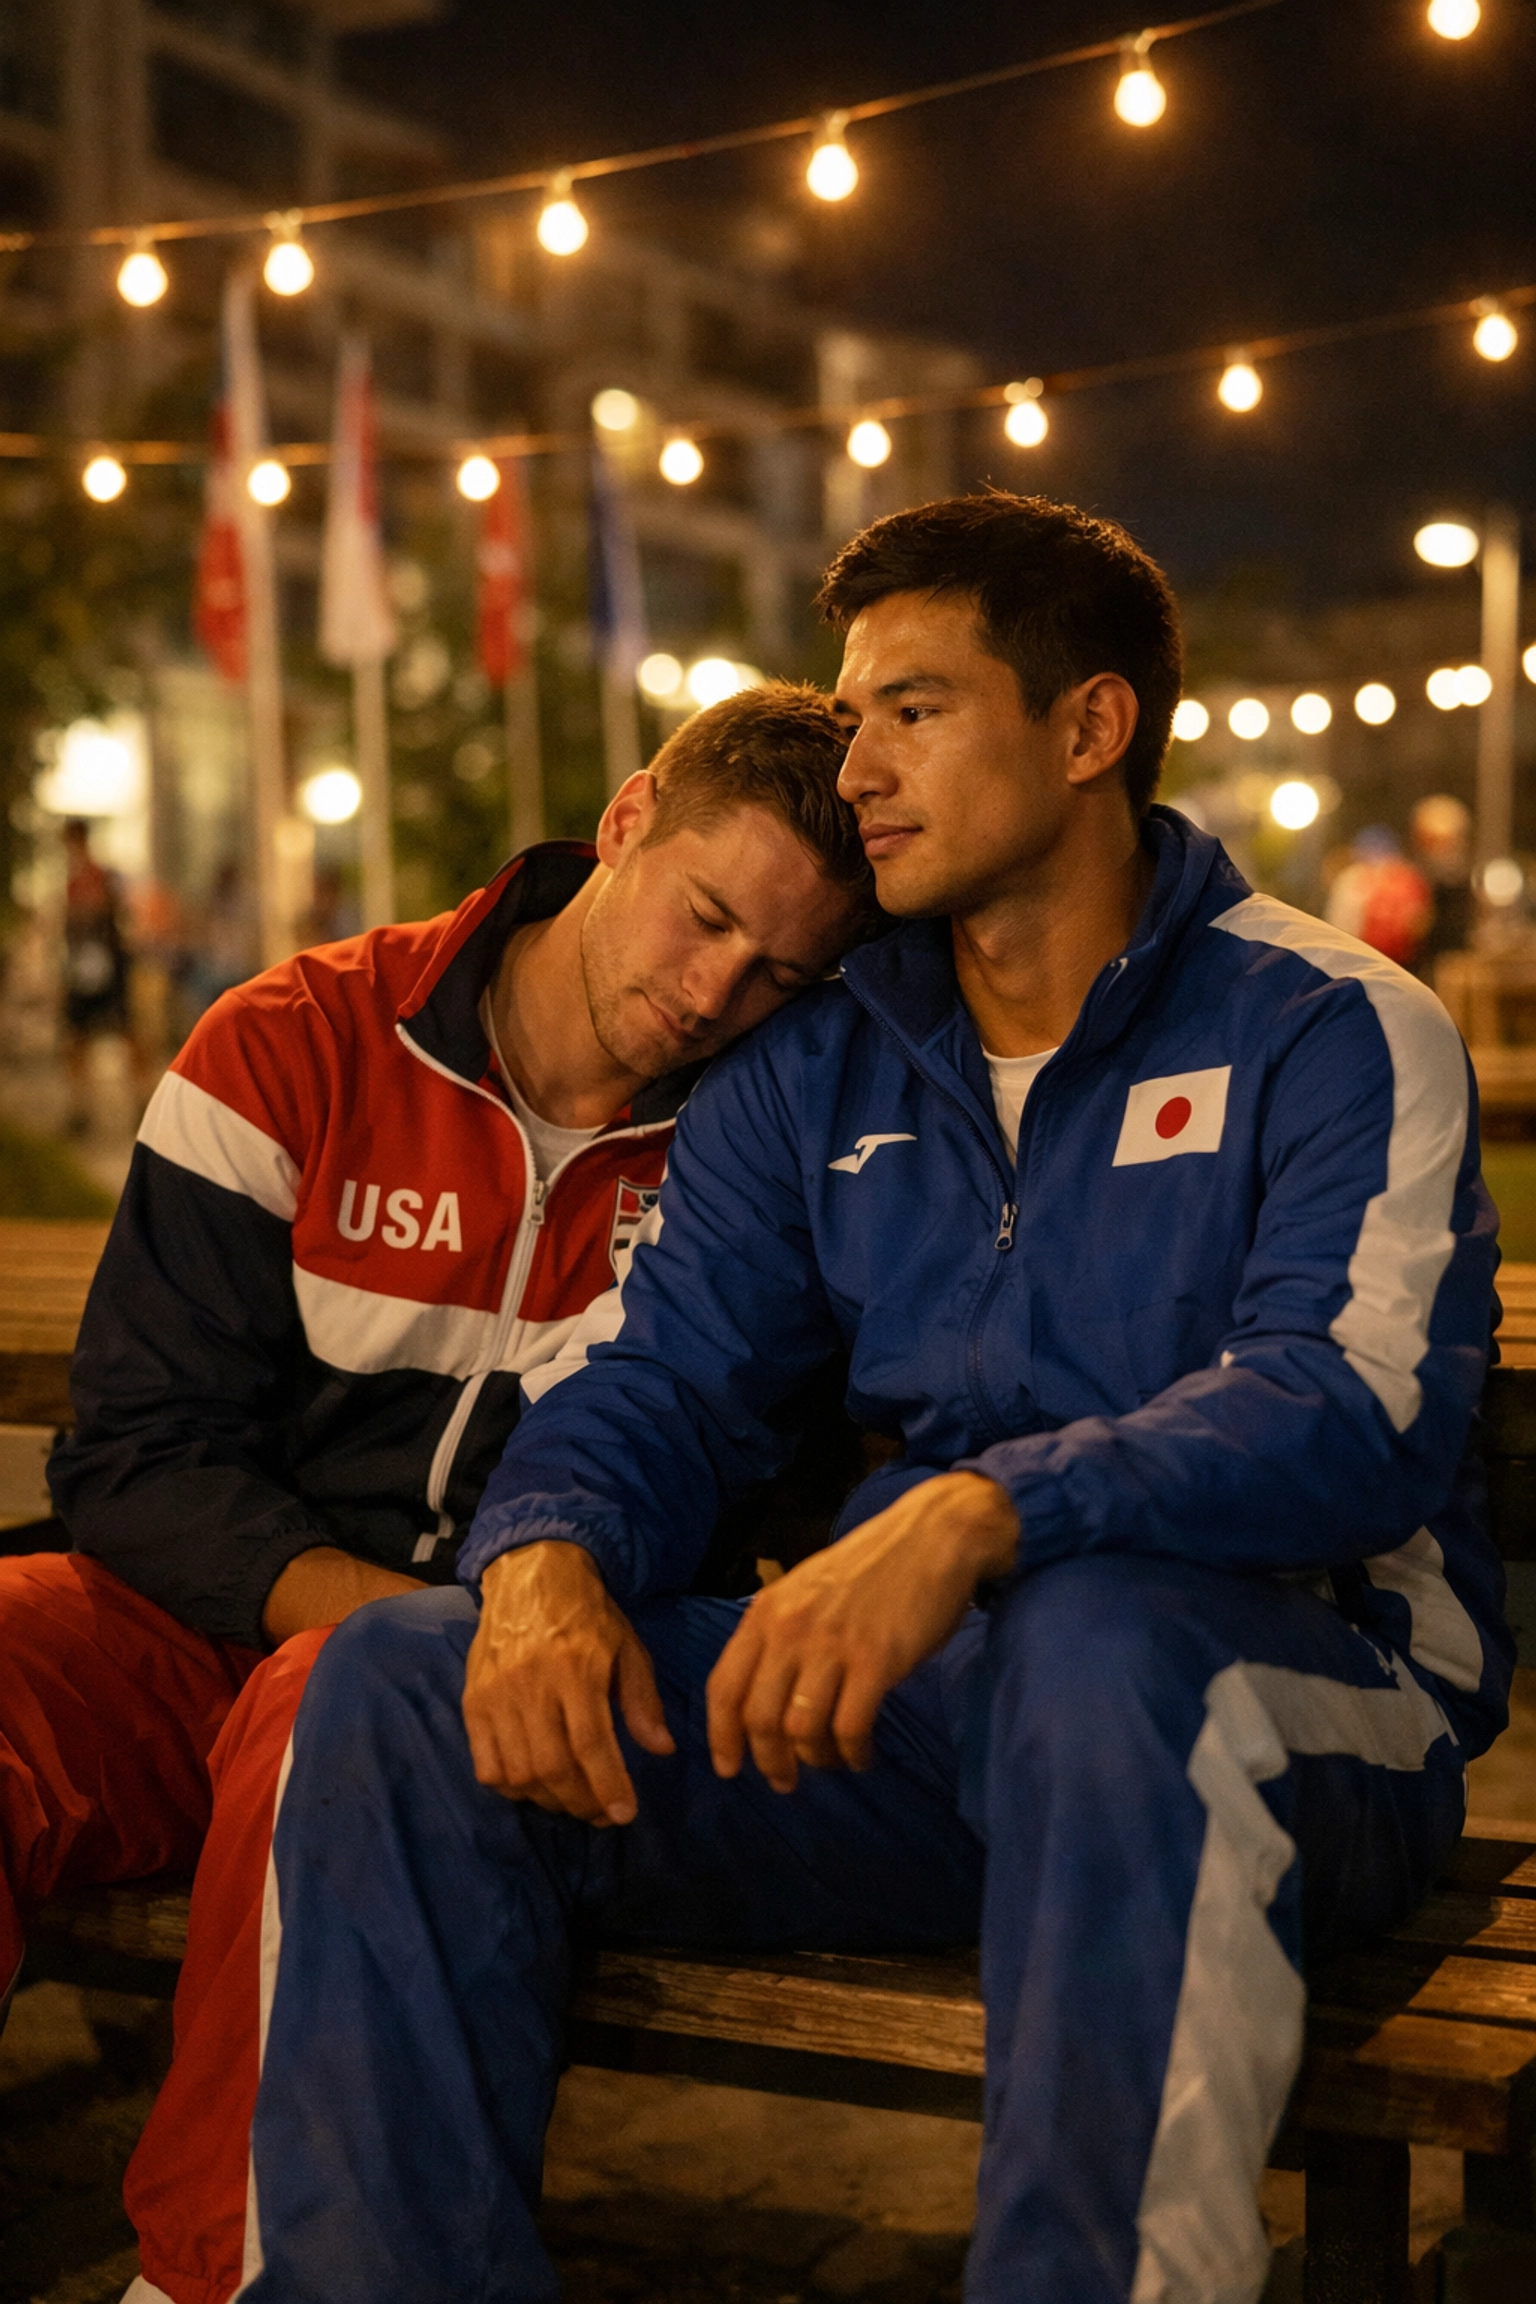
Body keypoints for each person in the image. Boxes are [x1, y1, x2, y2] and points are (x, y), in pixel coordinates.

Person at [124, 496, 1507, 2304]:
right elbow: (667, 1371)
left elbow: (1356, 1405)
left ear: (1089, 730)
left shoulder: (1328, 1023)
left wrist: (989, 1513)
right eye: (852, 714)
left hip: (1303, 1697)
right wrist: (540, 1556)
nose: (858, 763)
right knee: (399, 1685)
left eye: (915, 709)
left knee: (1105, 1653)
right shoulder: (822, 1056)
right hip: (923, 1720)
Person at [0, 681, 871, 2060]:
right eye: (707, 917)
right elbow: (132, 1453)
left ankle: (225, 2278)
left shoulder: (763, 1147)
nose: (718, 995)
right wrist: (384, 1626)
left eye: (781, 974)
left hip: (538, 1695)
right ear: (628, 818)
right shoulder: (293, 1037)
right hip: (213, 1629)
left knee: (338, 1729)